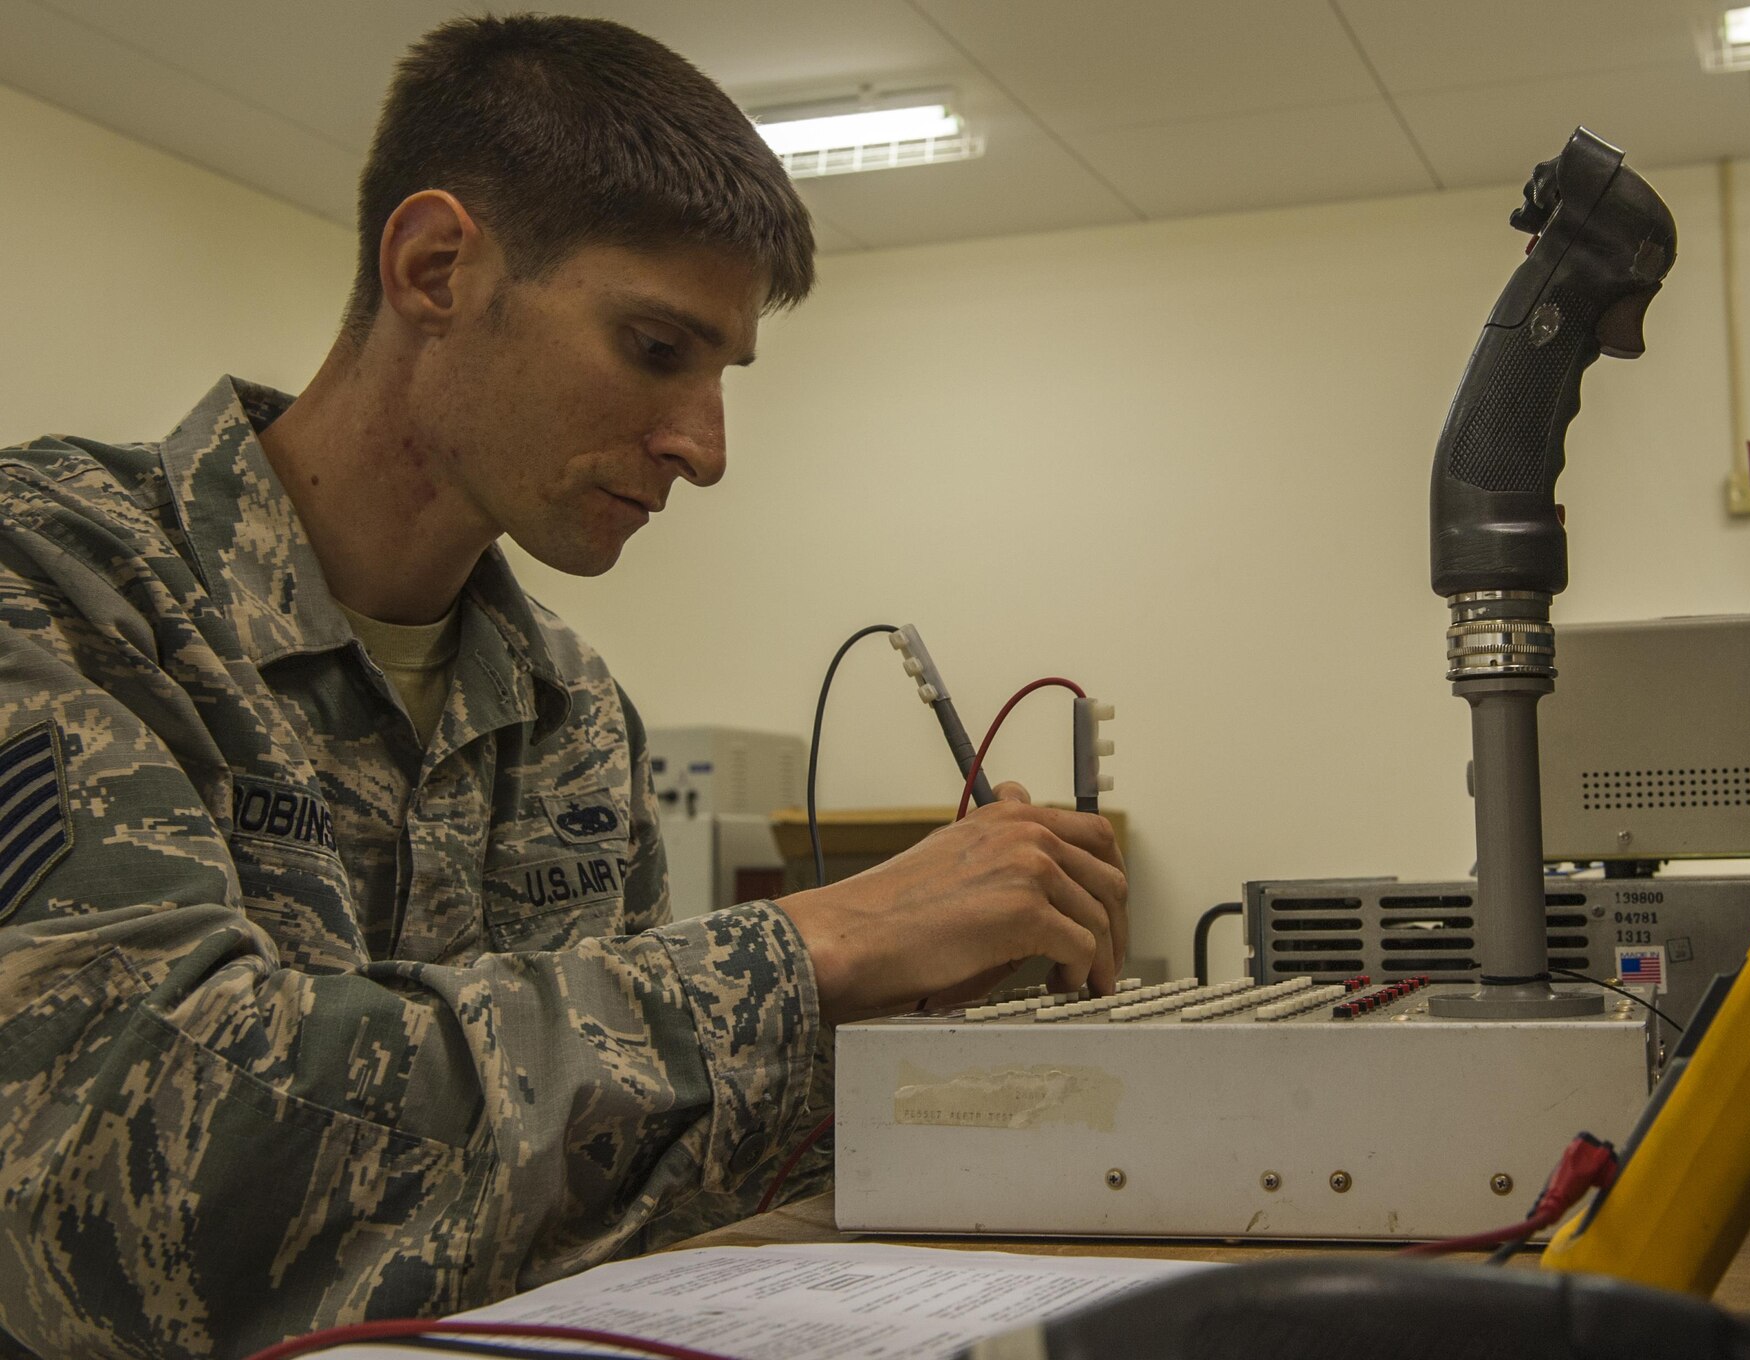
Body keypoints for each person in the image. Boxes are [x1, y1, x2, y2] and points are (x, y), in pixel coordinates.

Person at [0, 15, 1127, 1357]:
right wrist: (812, 950)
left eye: (722, 374)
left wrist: (897, 1027)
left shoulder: (568, 709)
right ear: (435, 268)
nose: (704, 449)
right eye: (658, 350)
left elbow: (626, 1180)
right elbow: (128, 1189)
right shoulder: (62, 584)